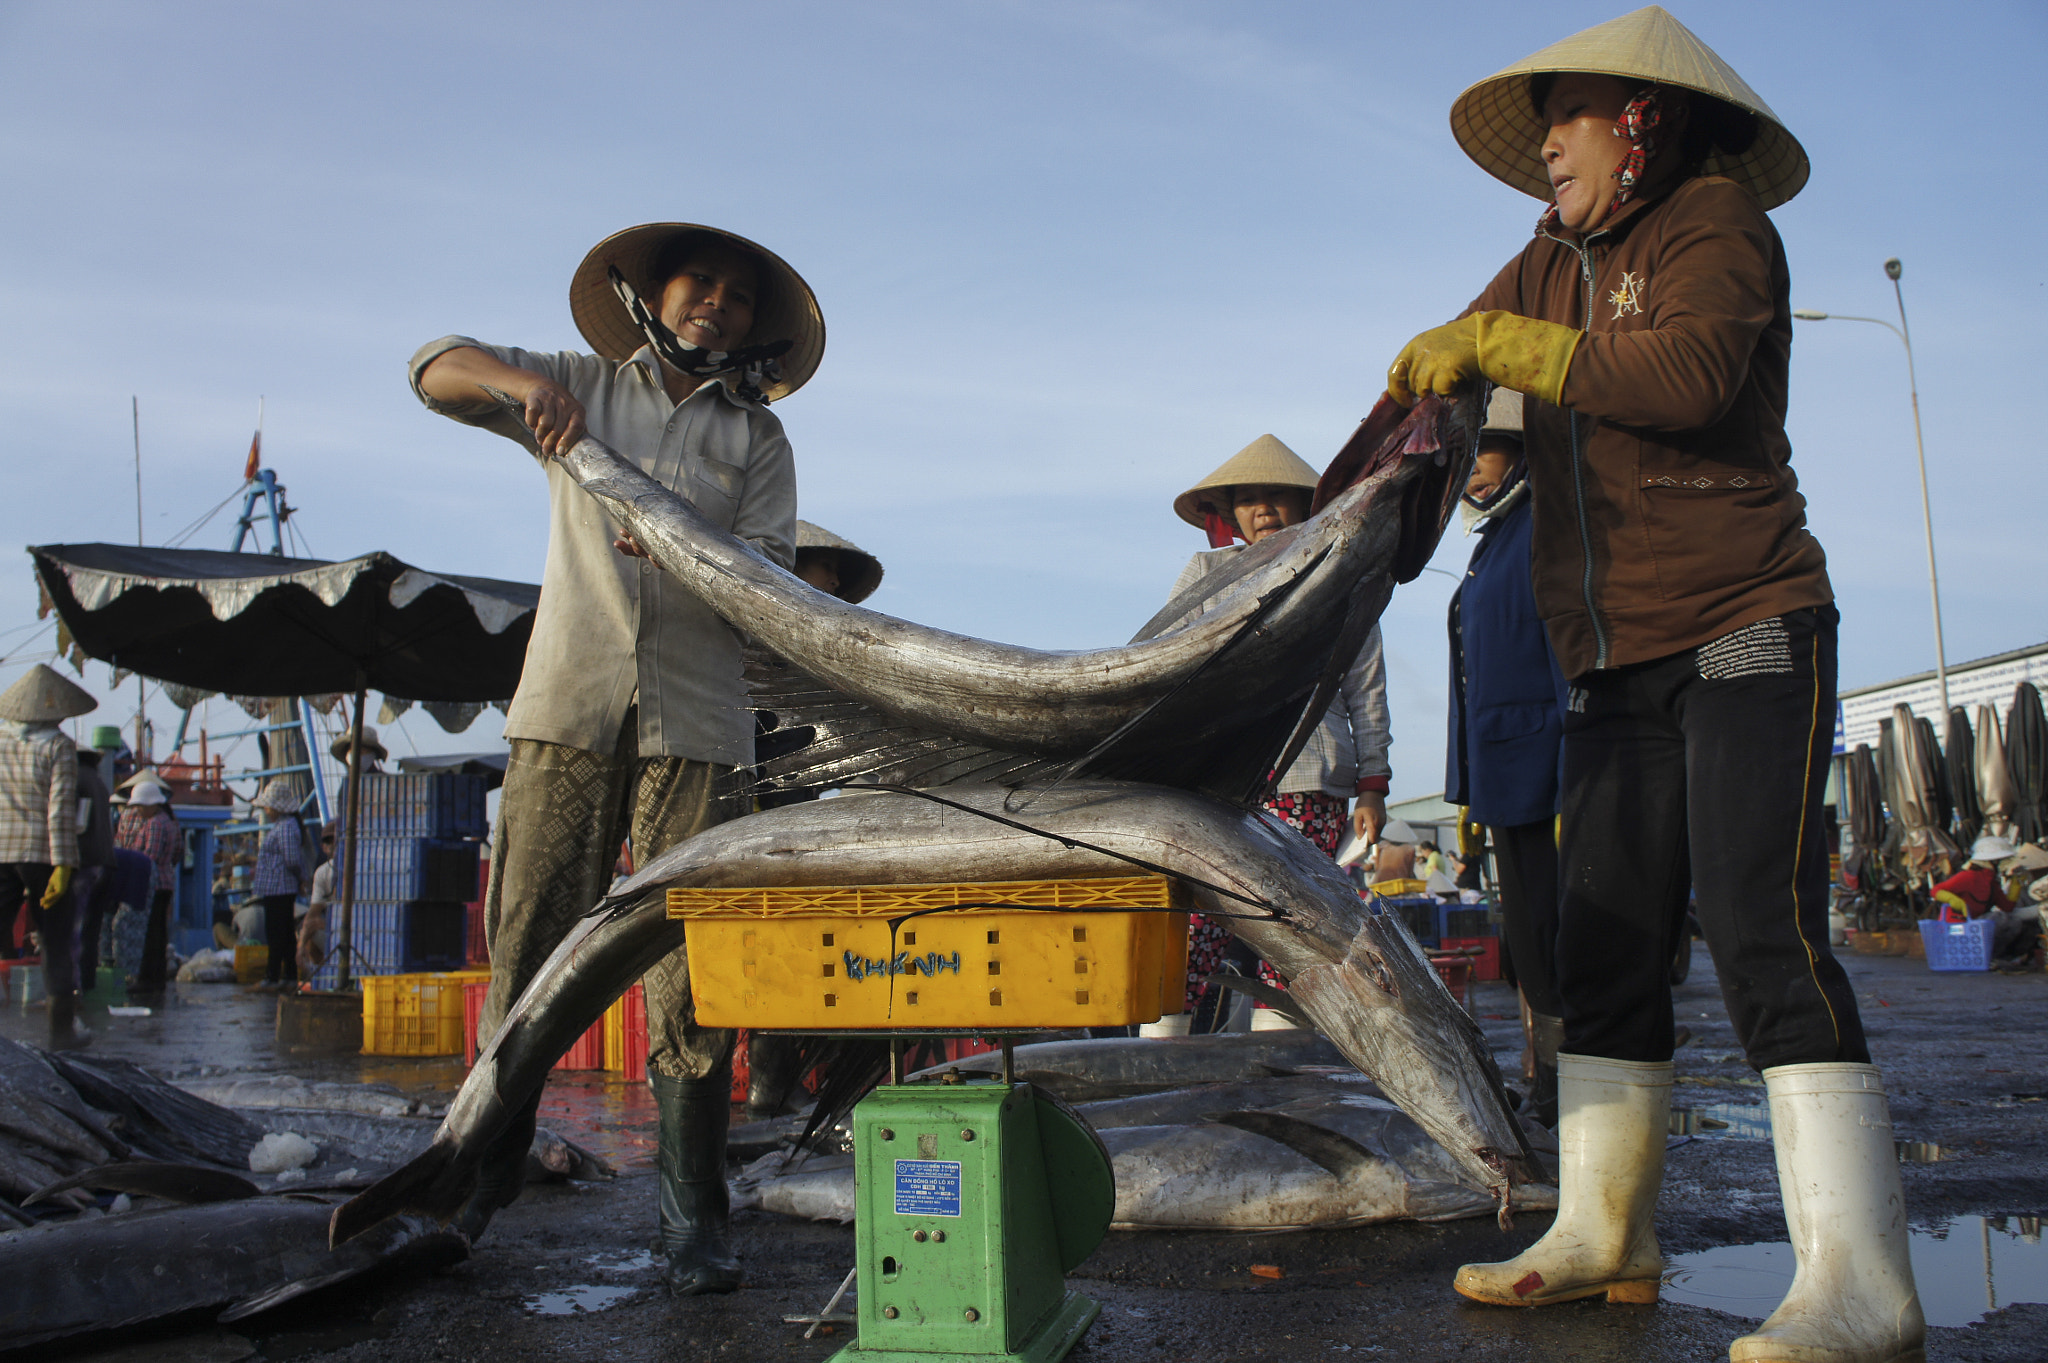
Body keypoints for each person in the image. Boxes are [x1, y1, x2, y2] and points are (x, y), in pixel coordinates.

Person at [1383, 10, 1922, 1357]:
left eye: (1565, 119)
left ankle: (1862, 1281)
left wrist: (1510, 350)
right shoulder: (1547, 258)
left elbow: (1688, 375)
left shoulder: (1718, 225)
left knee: (1761, 930)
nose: (1545, 149)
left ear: (1642, 121)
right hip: (1610, 653)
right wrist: (1426, 374)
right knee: (1602, 942)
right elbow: (1476, 337)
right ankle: (1603, 1225)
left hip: (1746, 621)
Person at [410, 221, 821, 1295]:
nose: (717, 305)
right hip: (567, 706)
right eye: (701, 283)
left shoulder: (759, 442)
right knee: (532, 943)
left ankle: (693, 1221)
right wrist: (517, 386)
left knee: (694, 968)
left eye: (738, 297)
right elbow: (432, 370)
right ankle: (478, 1180)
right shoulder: (577, 386)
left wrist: (690, 550)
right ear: (654, 292)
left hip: (701, 723)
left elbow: (773, 579)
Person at [1155, 435, 1392, 1033]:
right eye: (1251, 500)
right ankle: (1163, 1061)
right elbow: (1169, 659)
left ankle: (1279, 1067)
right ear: (1230, 513)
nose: (1264, 510)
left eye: (1277, 498)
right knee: (1195, 920)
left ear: (1305, 506)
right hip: (1215, 777)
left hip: (1309, 777)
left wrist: (1372, 786)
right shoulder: (1207, 572)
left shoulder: (1343, 574)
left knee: (1291, 927)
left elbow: (1365, 689)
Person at [1444, 390, 1570, 1124]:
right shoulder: (1492, 538)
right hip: (1502, 765)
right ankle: (1547, 1070)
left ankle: (1568, 1076)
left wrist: (1576, 754)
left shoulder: (1547, 525)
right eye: (1465, 462)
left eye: (1484, 455)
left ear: (1522, 450)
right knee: (1525, 931)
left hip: (1547, 760)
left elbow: (1563, 649)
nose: (1473, 475)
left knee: (1555, 928)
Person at [746, 520, 884, 1117]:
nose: (832, 580)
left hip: (813, 830)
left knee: (807, 955)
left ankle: (784, 1088)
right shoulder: (753, 656)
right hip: (762, 829)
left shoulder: (820, 663)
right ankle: (767, 1090)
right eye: (821, 567)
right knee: (769, 953)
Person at [0, 665, 96, 1048]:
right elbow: (59, 810)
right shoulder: (59, 747)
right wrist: (64, 863)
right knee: (54, 940)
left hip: (1, 851)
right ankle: (62, 1034)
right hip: (41, 853)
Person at [114, 773, 179, 998]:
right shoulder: (168, 821)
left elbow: (148, 859)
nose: (138, 811)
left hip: (154, 884)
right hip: (165, 883)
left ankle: (147, 979)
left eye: (141, 806)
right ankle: (155, 979)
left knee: (150, 935)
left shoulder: (154, 825)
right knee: (159, 935)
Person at [249, 780, 306, 989]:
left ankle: (273, 975)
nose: (266, 810)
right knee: (284, 932)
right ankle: (287, 975)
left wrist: (300, 878)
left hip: (280, 887)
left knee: (276, 932)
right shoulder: (286, 826)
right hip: (279, 887)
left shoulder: (285, 827)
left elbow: (292, 859)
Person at [72, 743, 117, 994]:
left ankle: (74, 986)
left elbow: (77, 823)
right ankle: (86, 985)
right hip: (106, 863)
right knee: (92, 930)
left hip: (85, 862)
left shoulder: (77, 780)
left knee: (75, 927)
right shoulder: (99, 784)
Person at [299, 821, 338, 980]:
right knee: (308, 930)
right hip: (335, 930)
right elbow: (313, 913)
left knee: (312, 926)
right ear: (324, 847)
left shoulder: (360, 866)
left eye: (336, 840)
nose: (333, 845)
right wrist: (300, 944)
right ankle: (323, 976)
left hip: (357, 931)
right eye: (329, 842)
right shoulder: (323, 873)